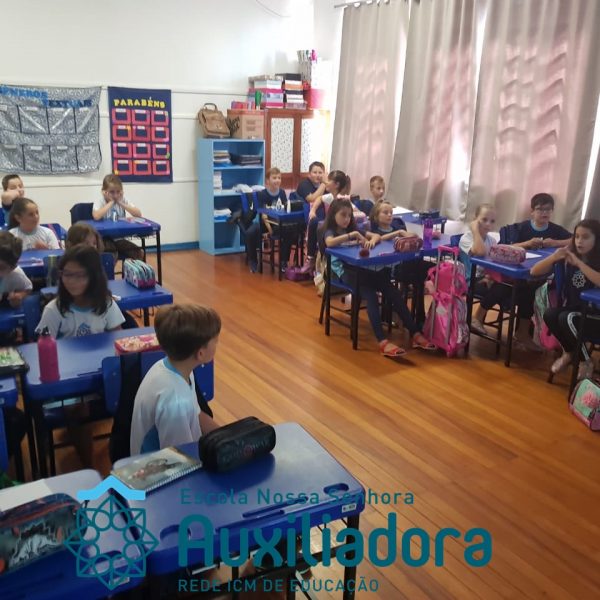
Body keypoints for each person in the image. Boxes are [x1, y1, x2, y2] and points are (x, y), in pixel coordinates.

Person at [322, 198, 435, 357]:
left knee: (393, 292)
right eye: (343, 215)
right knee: (371, 296)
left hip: (360, 270)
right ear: (333, 215)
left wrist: (371, 241)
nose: (346, 219)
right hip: (343, 272)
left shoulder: (355, 229)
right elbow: (329, 243)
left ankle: (415, 333)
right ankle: (382, 341)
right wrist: (352, 235)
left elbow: (375, 236)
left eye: (349, 216)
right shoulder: (331, 231)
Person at [130, 304, 220, 454]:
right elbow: (180, 458)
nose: (217, 344)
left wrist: (229, 437)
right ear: (200, 354)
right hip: (161, 465)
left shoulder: (173, 367)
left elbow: (196, 414)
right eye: (215, 340)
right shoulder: (175, 401)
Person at [531, 219, 600, 378]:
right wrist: (554, 257)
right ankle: (570, 352)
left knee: (566, 317)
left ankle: (585, 361)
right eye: (577, 237)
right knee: (550, 314)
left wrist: (580, 264)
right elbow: (534, 271)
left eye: (585, 237)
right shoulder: (570, 257)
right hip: (574, 311)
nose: (579, 241)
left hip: (594, 316)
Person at [35, 245, 125, 337]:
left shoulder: (106, 304)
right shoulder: (53, 310)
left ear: (95, 277)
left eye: (80, 275)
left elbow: (119, 339)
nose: (72, 281)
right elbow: (44, 344)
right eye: (67, 274)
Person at [369, 200, 429, 325]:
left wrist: (411, 234)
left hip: (403, 265)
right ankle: (411, 317)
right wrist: (398, 233)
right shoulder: (374, 231)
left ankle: (420, 316)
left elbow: (411, 237)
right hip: (387, 269)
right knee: (417, 275)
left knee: (420, 275)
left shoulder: (396, 227)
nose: (389, 215)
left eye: (391, 212)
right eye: (385, 212)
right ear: (376, 216)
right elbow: (379, 239)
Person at [459, 203, 498, 335]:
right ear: (475, 219)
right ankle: (476, 318)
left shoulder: (492, 240)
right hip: (470, 280)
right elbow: (480, 251)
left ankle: (477, 319)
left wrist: (490, 276)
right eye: (484, 219)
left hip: (486, 278)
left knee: (506, 288)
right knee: (499, 289)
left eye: (492, 221)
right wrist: (475, 230)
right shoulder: (466, 238)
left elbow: (494, 262)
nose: (488, 224)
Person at [93, 174, 143, 260]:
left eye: (118, 192)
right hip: (105, 238)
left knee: (139, 252)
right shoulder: (100, 200)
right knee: (112, 254)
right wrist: (111, 202)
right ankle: (108, 268)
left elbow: (138, 214)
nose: (115, 195)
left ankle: (130, 269)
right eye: (112, 192)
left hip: (119, 238)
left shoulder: (122, 199)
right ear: (104, 192)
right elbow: (96, 216)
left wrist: (120, 202)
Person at [506, 193, 571, 249]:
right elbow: (508, 247)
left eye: (548, 209)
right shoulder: (520, 228)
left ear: (552, 210)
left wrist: (556, 243)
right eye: (540, 209)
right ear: (532, 211)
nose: (545, 212)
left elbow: (573, 240)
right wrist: (527, 243)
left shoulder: (556, 229)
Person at [297, 161, 326, 274]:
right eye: (315, 172)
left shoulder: (326, 184)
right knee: (315, 223)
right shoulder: (304, 184)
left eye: (320, 172)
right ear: (309, 174)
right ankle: (311, 259)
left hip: (324, 215)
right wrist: (324, 184)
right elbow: (312, 199)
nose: (318, 175)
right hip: (307, 217)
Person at [0, 231, 33, 308]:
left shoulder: (16, 275)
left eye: (1, 267)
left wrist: (19, 295)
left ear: (12, 268)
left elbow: (28, 288)